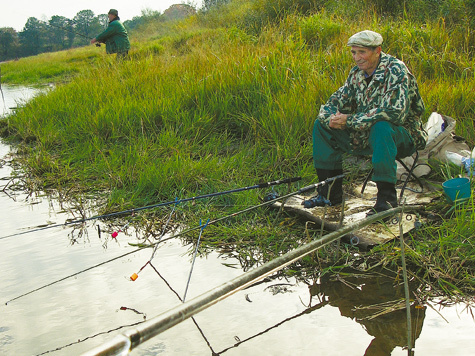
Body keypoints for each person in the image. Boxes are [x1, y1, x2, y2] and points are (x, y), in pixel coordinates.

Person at [305, 30, 427, 216]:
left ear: (377, 50)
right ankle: (329, 194)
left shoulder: (396, 70)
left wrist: (350, 120)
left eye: (362, 52)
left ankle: (386, 201)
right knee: (322, 126)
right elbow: (334, 102)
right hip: (367, 133)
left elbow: (394, 114)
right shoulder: (356, 74)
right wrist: (331, 118)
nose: (357, 58)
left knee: (382, 127)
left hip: (404, 136)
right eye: (354, 52)